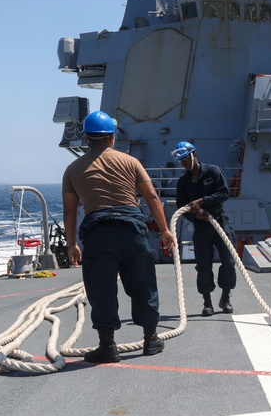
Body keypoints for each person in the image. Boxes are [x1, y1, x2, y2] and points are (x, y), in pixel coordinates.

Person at [62, 110, 175, 363]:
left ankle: (108, 347)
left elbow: (70, 210)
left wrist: (72, 245)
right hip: (131, 229)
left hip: (98, 233)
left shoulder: (72, 169)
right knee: (142, 283)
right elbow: (152, 198)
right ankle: (150, 339)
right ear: (112, 137)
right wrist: (165, 230)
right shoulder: (131, 162)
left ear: (87, 138)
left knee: (101, 288)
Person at [172, 141, 237, 317]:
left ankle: (225, 297)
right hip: (201, 227)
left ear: (195, 154)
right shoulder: (183, 182)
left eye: (186, 158)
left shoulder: (213, 171)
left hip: (219, 221)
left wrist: (202, 201)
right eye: (181, 161)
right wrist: (194, 216)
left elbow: (224, 193)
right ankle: (207, 302)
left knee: (228, 262)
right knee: (203, 266)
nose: (184, 163)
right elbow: (181, 206)